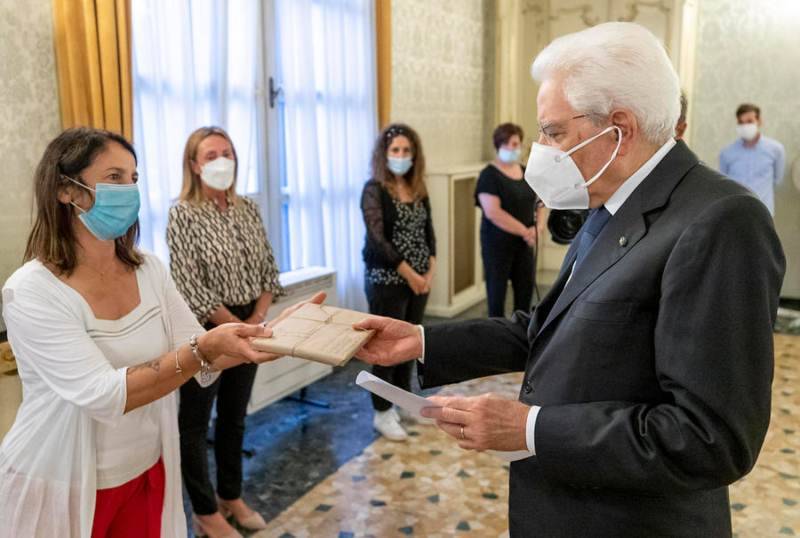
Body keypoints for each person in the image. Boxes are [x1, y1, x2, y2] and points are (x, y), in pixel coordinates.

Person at [355, 22, 785, 537]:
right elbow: (546, 327)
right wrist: (421, 340)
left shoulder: (722, 221)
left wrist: (530, 428)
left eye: (553, 132)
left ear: (618, 130)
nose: (541, 148)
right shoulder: (609, 203)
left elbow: (710, 438)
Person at [0, 127, 303, 537]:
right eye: (114, 177)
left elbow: (201, 349)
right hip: (61, 482)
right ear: (65, 190)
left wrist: (279, 335)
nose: (129, 190)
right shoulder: (31, 290)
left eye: (133, 178)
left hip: (145, 469)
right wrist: (202, 350)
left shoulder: (148, 269)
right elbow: (104, 394)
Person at [167, 126, 284, 537]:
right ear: (194, 165)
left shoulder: (247, 207)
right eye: (211, 155)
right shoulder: (182, 214)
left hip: (251, 321)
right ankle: (205, 511)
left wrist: (256, 319)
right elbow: (189, 285)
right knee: (195, 423)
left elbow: (268, 269)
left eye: (227, 153)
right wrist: (233, 326)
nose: (222, 161)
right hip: (206, 327)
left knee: (234, 416)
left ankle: (230, 495)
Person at [360, 123, 436, 442]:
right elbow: (378, 241)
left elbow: (428, 232)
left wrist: (429, 271)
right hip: (387, 279)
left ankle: (403, 401)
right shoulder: (374, 189)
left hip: (418, 281)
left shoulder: (417, 187)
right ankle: (382, 411)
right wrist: (410, 274)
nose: (401, 156)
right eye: (395, 150)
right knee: (386, 349)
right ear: (384, 154)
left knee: (409, 344)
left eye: (406, 151)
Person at [475, 123, 540, 317]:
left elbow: (541, 203)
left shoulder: (527, 172)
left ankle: (521, 332)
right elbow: (493, 212)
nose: (513, 148)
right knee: (497, 296)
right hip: (497, 245)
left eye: (516, 144)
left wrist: (538, 229)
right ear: (498, 145)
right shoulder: (489, 175)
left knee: (524, 294)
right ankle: (495, 333)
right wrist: (525, 231)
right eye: (508, 144)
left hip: (525, 244)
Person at [719, 103, 786, 215]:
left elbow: (777, 180)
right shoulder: (726, 153)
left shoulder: (776, 149)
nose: (745, 126)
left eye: (749, 121)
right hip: (735, 213)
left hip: (764, 213)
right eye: (741, 122)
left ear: (759, 121)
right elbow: (724, 183)